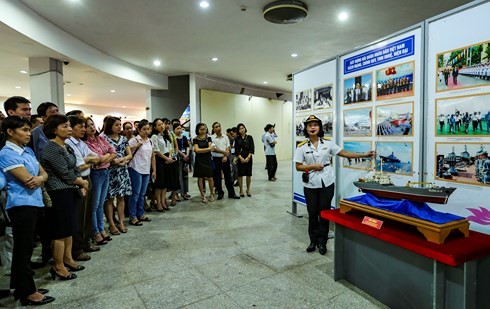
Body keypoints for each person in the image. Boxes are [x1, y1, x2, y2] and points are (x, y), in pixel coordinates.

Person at [294, 115, 374, 255]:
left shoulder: (328, 144)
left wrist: (364, 155)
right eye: (309, 125)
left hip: (327, 182)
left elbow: (344, 153)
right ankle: (313, 241)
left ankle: (322, 242)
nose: (313, 127)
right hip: (311, 184)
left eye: (315, 125)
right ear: (306, 129)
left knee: (324, 212)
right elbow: (298, 167)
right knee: (312, 214)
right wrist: (312, 166)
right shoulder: (301, 147)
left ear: (319, 128)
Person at [0, 116, 55, 305]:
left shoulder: (27, 150)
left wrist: (40, 178)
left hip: (34, 202)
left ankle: (23, 285)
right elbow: (27, 180)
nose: (28, 133)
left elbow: (43, 173)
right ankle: (27, 293)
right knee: (22, 250)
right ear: (10, 132)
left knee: (27, 247)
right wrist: (39, 179)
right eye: (24, 130)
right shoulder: (6, 153)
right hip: (20, 204)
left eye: (29, 129)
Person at [40, 114, 89, 280]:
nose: (69, 129)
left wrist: (79, 182)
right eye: (64, 126)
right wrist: (81, 183)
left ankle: (68, 259)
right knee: (60, 231)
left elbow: (74, 168)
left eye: (69, 126)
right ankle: (58, 265)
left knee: (69, 228)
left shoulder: (65, 147)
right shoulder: (50, 148)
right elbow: (64, 173)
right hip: (58, 191)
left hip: (69, 189)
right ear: (54, 129)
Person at [65, 116, 101, 261]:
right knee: (79, 216)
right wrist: (90, 161)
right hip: (78, 181)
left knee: (87, 214)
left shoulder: (81, 143)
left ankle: (86, 242)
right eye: (80, 126)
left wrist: (89, 161)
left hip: (88, 178)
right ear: (71, 128)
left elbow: (97, 157)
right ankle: (77, 249)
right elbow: (78, 165)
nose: (84, 129)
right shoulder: (69, 143)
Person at [83, 117, 117, 244]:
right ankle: (95, 232)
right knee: (94, 205)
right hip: (95, 174)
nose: (91, 127)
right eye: (88, 126)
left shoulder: (100, 139)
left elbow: (113, 152)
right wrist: (104, 158)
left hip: (105, 171)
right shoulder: (85, 143)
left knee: (101, 203)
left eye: (92, 124)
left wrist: (103, 160)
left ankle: (101, 229)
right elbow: (94, 159)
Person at [102, 117, 132, 234]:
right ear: (110, 126)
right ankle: (112, 224)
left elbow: (129, 154)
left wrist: (123, 160)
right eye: (117, 125)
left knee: (121, 197)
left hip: (122, 170)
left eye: (120, 125)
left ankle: (121, 221)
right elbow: (103, 154)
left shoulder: (123, 139)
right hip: (110, 170)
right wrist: (113, 162)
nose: (119, 127)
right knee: (109, 199)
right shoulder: (103, 138)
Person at [127, 120, 156, 226]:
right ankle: (132, 216)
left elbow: (152, 156)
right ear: (138, 130)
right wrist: (136, 146)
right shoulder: (134, 140)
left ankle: (140, 214)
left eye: (148, 129)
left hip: (146, 170)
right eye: (144, 129)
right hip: (135, 168)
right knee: (135, 194)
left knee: (142, 194)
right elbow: (127, 151)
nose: (146, 131)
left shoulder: (150, 141)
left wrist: (154, 170)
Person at [151, 118, 175, 212]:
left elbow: (169, 147)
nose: (162, 126)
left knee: (165, 183)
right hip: (159, 160)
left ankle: (163, 201)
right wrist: (166, 159)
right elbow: (156, 150)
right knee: (159, 184)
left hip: (167, 159)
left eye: (162, 124)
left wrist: (169, 157)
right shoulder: (154, 137)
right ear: (155, 127)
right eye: (159, 125)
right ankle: (159, 203)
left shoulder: (166, 135)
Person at [211, 122, 239, 200]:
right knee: (217, 177)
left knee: (228, 177)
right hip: (216, 159)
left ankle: (231, 193)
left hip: (225, 159)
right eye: (216, 127)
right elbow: (214, 149)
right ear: (213, 129)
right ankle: (220, 193)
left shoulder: (225, 137)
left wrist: (226, 156)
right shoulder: (211, 138)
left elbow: (228, 147)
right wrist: (225, 153)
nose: (218, 128)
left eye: (219, 126)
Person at [193, 123, 215, 203]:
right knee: (200, 178)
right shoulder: (195, 139)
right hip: (199, 160)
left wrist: (203, 150)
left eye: (205, 129)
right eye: (202, 129)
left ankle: (212, 194)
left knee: (210, 177)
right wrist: (207, 149)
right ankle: (202, 195)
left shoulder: (208, 138)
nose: (204, 130)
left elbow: (211, 148)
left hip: (208, 159)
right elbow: (196, 150)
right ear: (198, 130)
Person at [235, 123, 254, 197]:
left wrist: (248, 157)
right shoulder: (237, 139)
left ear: (245, 128)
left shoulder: (249, 137)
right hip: (240, 158)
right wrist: (241, 158)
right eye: (240, 129)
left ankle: (248, 189)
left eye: (243, 128)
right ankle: (241, 190)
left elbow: (252, 148)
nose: (242, 130)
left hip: (248, 158)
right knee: (240, 175)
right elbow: (236, 150)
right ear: (238, 130)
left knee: (248, 174)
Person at [174, 122, 191, 200]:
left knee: (185, 175)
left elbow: (187, 146)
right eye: (177, 128)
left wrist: (187, 154)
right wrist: (183, 155)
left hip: (185, 158)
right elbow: (176, 149)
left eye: (180, 128)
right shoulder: (174, 138)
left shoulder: (184, 137)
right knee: (178, 176)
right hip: (178, 158)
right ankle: (177, 193)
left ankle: (185, 192)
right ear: (174, 130)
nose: (179, 130)